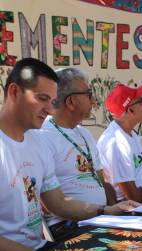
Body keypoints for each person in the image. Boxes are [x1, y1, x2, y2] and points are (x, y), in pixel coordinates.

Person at [0, 58, 139, 251]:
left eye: (51, 100)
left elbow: (57, 201)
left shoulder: (37, 140)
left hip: (38, 249)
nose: (49, 109)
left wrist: (106, 210)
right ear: (14, 92)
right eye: (42, 98)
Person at [40, 68, 118, 240]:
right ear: (71, 101)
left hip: (100, 219)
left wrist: (118, 214)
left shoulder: (85, 133)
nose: (94, 99)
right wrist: (105, 211)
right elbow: (47, 205)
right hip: (69, 227)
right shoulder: (43, 136)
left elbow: (102, 181)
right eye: (89, 94)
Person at [97, 83, 142, 205]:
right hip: (129, 209)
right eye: (140, 100)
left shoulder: (131, 134)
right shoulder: (115, 143)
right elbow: (131, 196)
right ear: (130, 110)